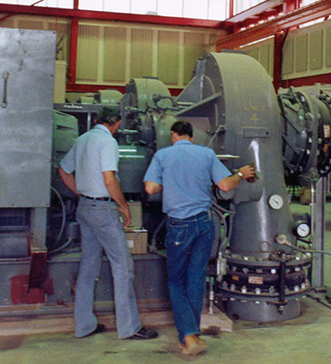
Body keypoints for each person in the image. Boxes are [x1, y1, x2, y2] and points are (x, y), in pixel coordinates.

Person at [144, 120, 255, 356]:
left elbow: (151, 188)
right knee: (196, 279)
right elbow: (225, 185)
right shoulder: (206, 154)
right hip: (205, 224)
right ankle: (191, 335)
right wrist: (240, 174)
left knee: (176, 282)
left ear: (173, 135)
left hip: (179, 226)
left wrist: (171, 184)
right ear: (192, 136)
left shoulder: (163, 155)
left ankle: (188, 336)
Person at [58, 107, 158, 342]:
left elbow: (63, 171)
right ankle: (129, 327)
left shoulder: (82, 139)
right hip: (103, 211)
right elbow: (109, 178)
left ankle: (84, 326)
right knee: (123, 265)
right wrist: (123, 206)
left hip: (85, 209)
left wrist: (82, 194)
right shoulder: (108, 142)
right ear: (117, 123)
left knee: (88, 266)